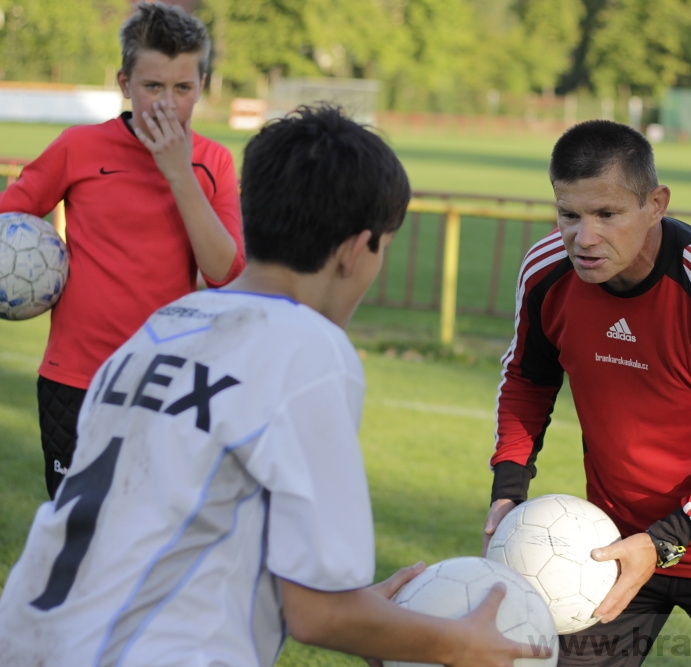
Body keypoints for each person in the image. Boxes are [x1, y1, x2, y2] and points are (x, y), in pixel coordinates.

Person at [0, 104, 553, 667]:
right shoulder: (306, 349)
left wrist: (364, 607)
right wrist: (460, 644)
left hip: (28, 638)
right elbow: (317, 613)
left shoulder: (161, 327)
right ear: (354, 250)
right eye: (382, 250)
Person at [482, 120, 691, 666]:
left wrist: (665, 540)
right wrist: (508, 488)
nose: (584, 238)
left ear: (656, 204)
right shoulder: (545, 271)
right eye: (569, 214)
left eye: (607, 215)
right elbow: (527, 381)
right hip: (608, 546)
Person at [0, 1, 245, 499]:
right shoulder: (79, 148)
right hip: (77, 378)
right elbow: (10, 215)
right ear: (124, 83)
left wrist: (178, 171)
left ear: (201, 86)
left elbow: (223, 271)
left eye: (183, 88)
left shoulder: (213, 162)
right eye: (152, 86)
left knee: (157, 540)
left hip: (169, 383)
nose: (166, 103)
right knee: (77, 535)